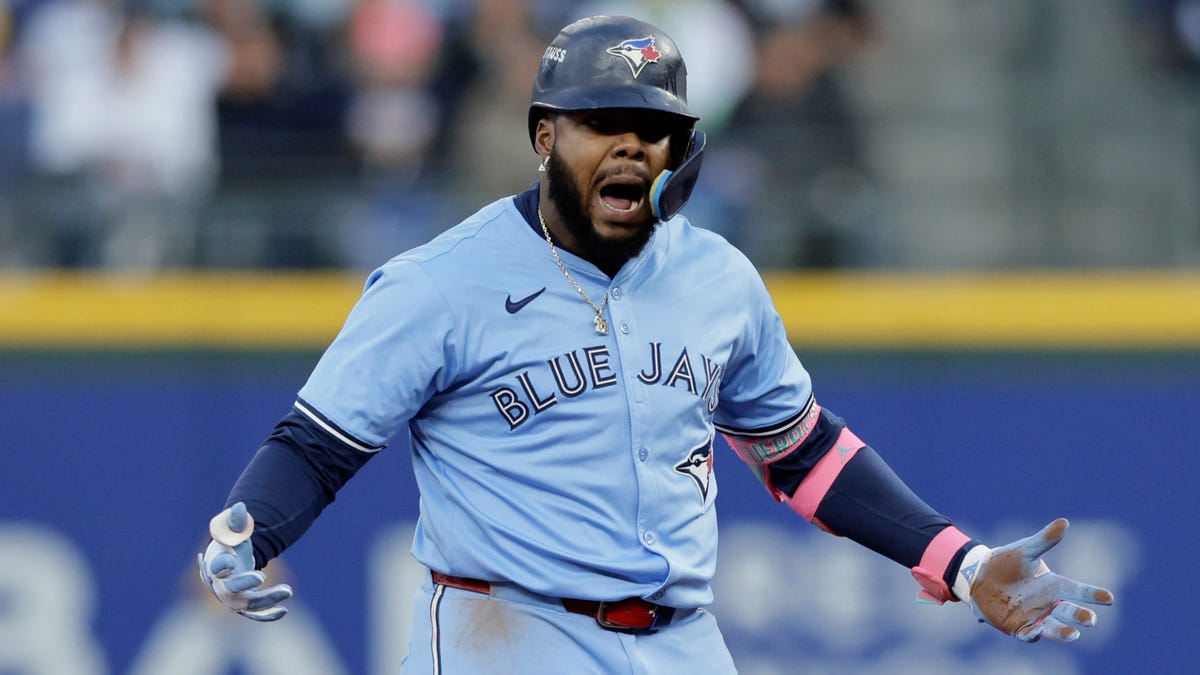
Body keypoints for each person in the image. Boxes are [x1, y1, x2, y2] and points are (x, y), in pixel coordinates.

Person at [198, 15, 1113, 674]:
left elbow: (804, 454)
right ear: (545, 136)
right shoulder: (439, 283)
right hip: (504, 636)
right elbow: (317, 446)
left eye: (655, 129)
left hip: (682, 639)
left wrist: (955, 562)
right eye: (603, 125)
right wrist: (249, 528)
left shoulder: (717, 279)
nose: (632, 148)